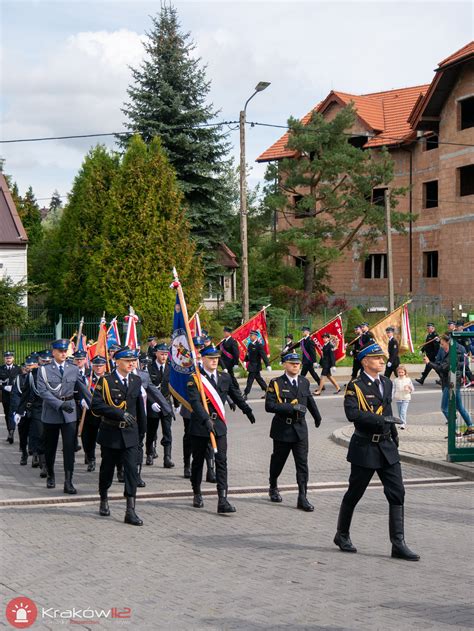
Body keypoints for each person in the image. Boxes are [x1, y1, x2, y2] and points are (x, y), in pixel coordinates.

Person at [333, 342, 419, 561]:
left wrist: (394, 433)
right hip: (365, 447)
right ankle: (341, 534)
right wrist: (381, 420)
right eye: (377, 358)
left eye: (382, 358)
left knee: (397, 492)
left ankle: (398, 543)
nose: (382, 361)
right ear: (365, 361)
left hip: (387, 446)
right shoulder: (355, 385)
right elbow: (353, 414)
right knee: (355, 492)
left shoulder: (386, 383)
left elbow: (388, 409)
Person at [187, 345, 256, 513]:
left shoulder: (224, 377)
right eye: (211, 358)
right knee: (197, 462)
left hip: (218, 426)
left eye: (216, 358)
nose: (214, 361)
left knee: (222, 461)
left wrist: (247, 410)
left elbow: (235, 395)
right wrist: (205, 419)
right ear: (202, 359)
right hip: (200, 426)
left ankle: (222, 499)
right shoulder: (195, 379)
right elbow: (195, 403)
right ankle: (197, 492)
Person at [91, 346, 147, 525]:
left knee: (131, 471)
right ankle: (104, 498)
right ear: (117, 362)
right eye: (128, 361)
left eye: (133, 361)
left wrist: (142, 432)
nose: (132, 364)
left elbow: (139, 408)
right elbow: (96, 406)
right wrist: (119, 413)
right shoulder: (105, 381)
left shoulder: (136, 380)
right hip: (111, 433)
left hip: (130, 434)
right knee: (107, 470)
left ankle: (130, 510)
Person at [265, 353, 322, 511]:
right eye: (292, 363)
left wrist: (317, 416)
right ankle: (273, 485)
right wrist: (291, 407)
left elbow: (309, 400)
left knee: (302, 464)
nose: (296, 366)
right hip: (282, 429)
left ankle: (302, 497)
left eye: (298, 364)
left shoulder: (304, 381)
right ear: (284, 365)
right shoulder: (276, 383)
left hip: (300, 429)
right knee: (278, 461)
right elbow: (269, 406)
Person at [36, 339, 91, 494]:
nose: (62, 353)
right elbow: (43, 392)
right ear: (53, 352)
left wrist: (95, 405)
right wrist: (60, 404)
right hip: (52, 413)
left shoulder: (73, 369)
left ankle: (68, 481)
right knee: (50, 447)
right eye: (59, 351)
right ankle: (51, 475)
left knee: (69, 448)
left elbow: (83, 389)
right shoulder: (44, 370)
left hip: (69, 413)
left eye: (65, 350)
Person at [423, 335, 473, 434]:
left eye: (442, 343)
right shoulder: (445, 351)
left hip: (451, 383)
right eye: (440, 344)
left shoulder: (454, 352)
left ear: (448, 342)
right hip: (449, 381)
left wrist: (429, 363)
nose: (441, 346)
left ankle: (455, 430)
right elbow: (440, 363)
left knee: (444, 408)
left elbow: (443, 368)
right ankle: (471, 426)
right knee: (459, 406)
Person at [148, 343, 174, 468]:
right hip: (153, 403)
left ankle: (167, 457)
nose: (164, 357)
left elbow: (174, 388)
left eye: (166, 354)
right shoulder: (149, 368)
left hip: (166, 403)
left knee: (167, 431)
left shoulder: (170, 368)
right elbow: (145, 388)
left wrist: (178, 404)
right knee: (151, 430)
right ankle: (149, 453)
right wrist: (151, 402)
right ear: (156, 353)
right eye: (161, 354)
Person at [80, 355, 108, 472]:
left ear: (104, 366)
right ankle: (91, 459)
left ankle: (105, 459)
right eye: (96, 365)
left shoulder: (108, 379)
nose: (98, 368)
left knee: (105, 439)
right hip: (90, 413)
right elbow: (79, 391)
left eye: (100, 366)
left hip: (104, 413)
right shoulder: (86, 378)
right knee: (88, 438)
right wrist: (81, 400)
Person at [243, 330, 271, 400]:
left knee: (250, 380)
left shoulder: (259, 345)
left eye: (251, 335)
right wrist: (245, 360)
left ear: (255, 336)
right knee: (259, 379)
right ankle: (268, 392)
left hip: (256, 366)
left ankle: (245, 394)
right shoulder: (249, 344)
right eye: (250, 335)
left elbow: (264, 355)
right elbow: (248, 354)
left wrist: (268, 365)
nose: (250, 337)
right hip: (251, 365)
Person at [0, 350, 21, 443]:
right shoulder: (1, 369)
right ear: (4, 359)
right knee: (7, 413)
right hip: (6, 396)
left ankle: (14, 432)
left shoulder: (18, 369)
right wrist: (4, 387)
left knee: (17, 414)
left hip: (16, 396)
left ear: (13, 358)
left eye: (10, 357)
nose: (8, 359)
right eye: (6, 358)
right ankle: (10, 432)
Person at [218, 326, 241, 390]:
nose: (224, 333)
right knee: (227, 376)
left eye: (225, 332)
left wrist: (236, 363)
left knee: (231, 376)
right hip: (223, 362)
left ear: (229, 333)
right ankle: (229, 389)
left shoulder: (233, 341)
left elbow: (236, 353)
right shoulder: (223, 341)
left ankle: (237, 388)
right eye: (224, 332)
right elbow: (220, 349)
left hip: (230, 362)